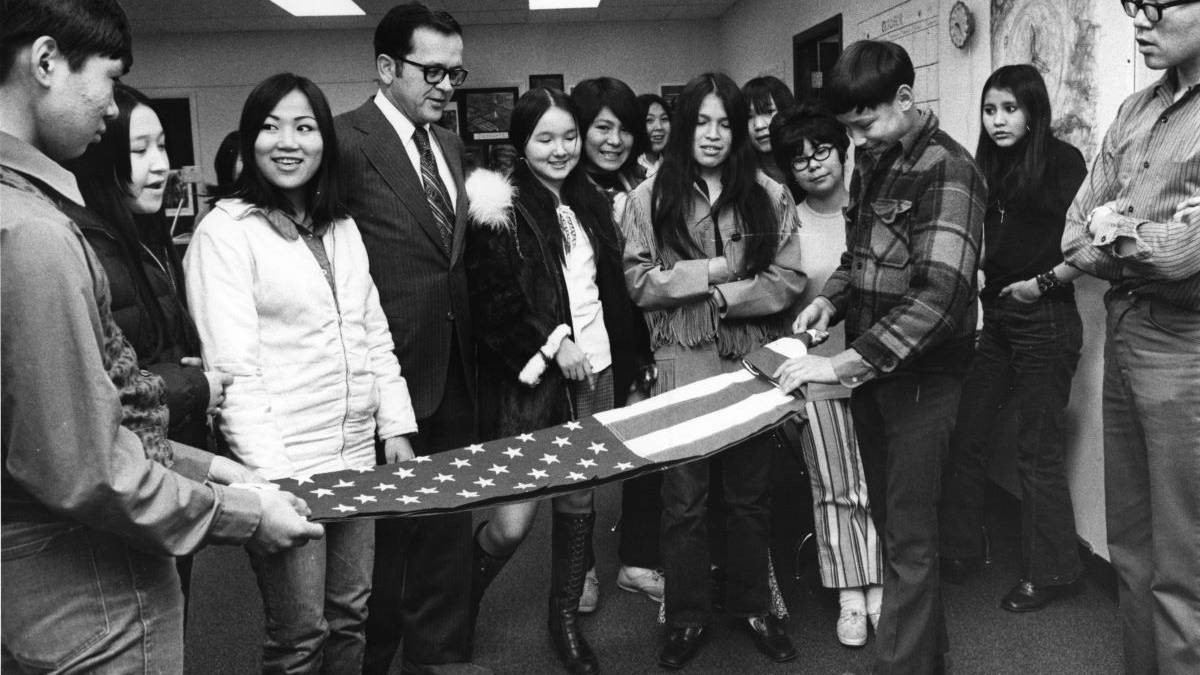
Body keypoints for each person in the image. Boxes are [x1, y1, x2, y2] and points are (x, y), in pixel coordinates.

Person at [0, 2, 322, 671]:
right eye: (110, 81)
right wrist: (242, 514)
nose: (113, 111)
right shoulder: (33, 234)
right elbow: (84, 464)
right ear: (46, 62)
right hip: (90, 594)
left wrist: (201, 467)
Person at [185, 72, 417, 673]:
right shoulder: (225, 232)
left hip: (354, 454)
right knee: (299, 637)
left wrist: (395, 425)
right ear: (248, 140)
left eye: (305, 127)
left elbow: (372, 331)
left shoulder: (341, 225)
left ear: (324, 142)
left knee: (351, 616)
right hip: (286, 466)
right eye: (270, 127)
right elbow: (232, 372)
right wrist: (273, 486)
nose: (288, 142)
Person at [774, 41, 985, 674]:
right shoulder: (876, 161)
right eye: (847, 129)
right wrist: (829, 306)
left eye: (863, 124)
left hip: (922, 381)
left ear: (903, 99)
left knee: (910, 542)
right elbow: (857, 260)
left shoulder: (950, 169)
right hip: (877, 380)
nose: (854, 140)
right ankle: (927, 657)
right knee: (896, 530)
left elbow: (940, 300)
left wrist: (839, 366)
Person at [621, 72, 804, 669]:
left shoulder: (768, 194)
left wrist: (726, 297)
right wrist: (718, 270)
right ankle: (686, 617)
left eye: (724, 122)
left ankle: (755, 606)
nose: (713, 134)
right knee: (685, 501)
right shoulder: (649, 197)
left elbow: (788, 280)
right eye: (701, 121)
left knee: (751, 494)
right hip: (683, 362)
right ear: (681, 125)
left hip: (750, 358)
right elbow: (639, 282)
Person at [464, 86, 648, 675]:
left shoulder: (589, 201)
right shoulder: (498, 205)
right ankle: (456, 604)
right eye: (546, 138)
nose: (561, 149)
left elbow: (608, 294)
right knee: (512, 522)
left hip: (596, 371)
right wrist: (554, 342)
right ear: (521, 141)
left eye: (570, 136)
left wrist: (626, 357)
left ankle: (564, 621)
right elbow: (493, 302)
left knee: (579, 497)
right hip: (536, 381)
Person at [332, 4, 484, 673]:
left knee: (446, 539)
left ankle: (437, 661)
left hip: (454, 374)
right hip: (382, 382)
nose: (447, 85)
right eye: (434, 71)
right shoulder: (343, 141)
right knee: (381, 552)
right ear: (387, 67)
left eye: (457, 72)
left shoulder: (449, 146)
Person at [1060, 2, 1200, 671]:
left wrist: (1124, 228)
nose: (1141, 21)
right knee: (1133, 549)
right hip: (1125, 329)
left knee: (1183, 566)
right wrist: (1146, 232)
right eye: (1130, 8)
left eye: (1158, 4)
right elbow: (1074, 229)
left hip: (1185, 345)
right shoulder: (1133, 112)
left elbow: (1185, 258)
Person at [64, 81, 233, 604]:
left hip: (169, 463)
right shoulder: (85, 249)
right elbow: (103, 390)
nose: (160, 165)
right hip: (133, 483)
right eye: (139, 151)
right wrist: (195, 384)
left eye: (162, 147)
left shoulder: (143, 238)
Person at [939, 64, 1089, 613]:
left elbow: (1090, 244)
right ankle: (959, 547)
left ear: (1033, 112)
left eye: (1009, 108)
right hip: (997, 319)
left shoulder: (1062, 162)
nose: (998, 120)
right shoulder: (986, 166)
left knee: (1036, 451)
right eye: (990, 109)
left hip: (1045, 318)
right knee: (968, 430)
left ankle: (1052, 571)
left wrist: (1039, 284)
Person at [769, 102, 884, 647]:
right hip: (820, 375)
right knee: (837, 486)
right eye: (798, 160)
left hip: (880, 365)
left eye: (822, 152)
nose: (813, 165)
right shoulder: (785, 221)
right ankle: (850, 595)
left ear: (843, 151)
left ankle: (879, 578)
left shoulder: (873, 208)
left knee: (882, 481)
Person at [570, 75, 664, 613]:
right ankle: (579, 570)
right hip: (586, 350)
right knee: (580, 468)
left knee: (648, 457)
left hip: (641, 342)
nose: (614, 140)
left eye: (625, 130)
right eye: (602, 128)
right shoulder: (564, 192)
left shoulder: (644, 187)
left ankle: (636, 561)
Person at [742, 76, 795, 184]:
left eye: (768, 112)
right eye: (749, 117)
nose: (759, 125)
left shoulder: (807, 162)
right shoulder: (741, 175)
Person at [637, 93, 671, 178]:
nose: (659, 127)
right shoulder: (626, 170)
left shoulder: (678, 165)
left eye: (664, 119)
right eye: (649, 120)